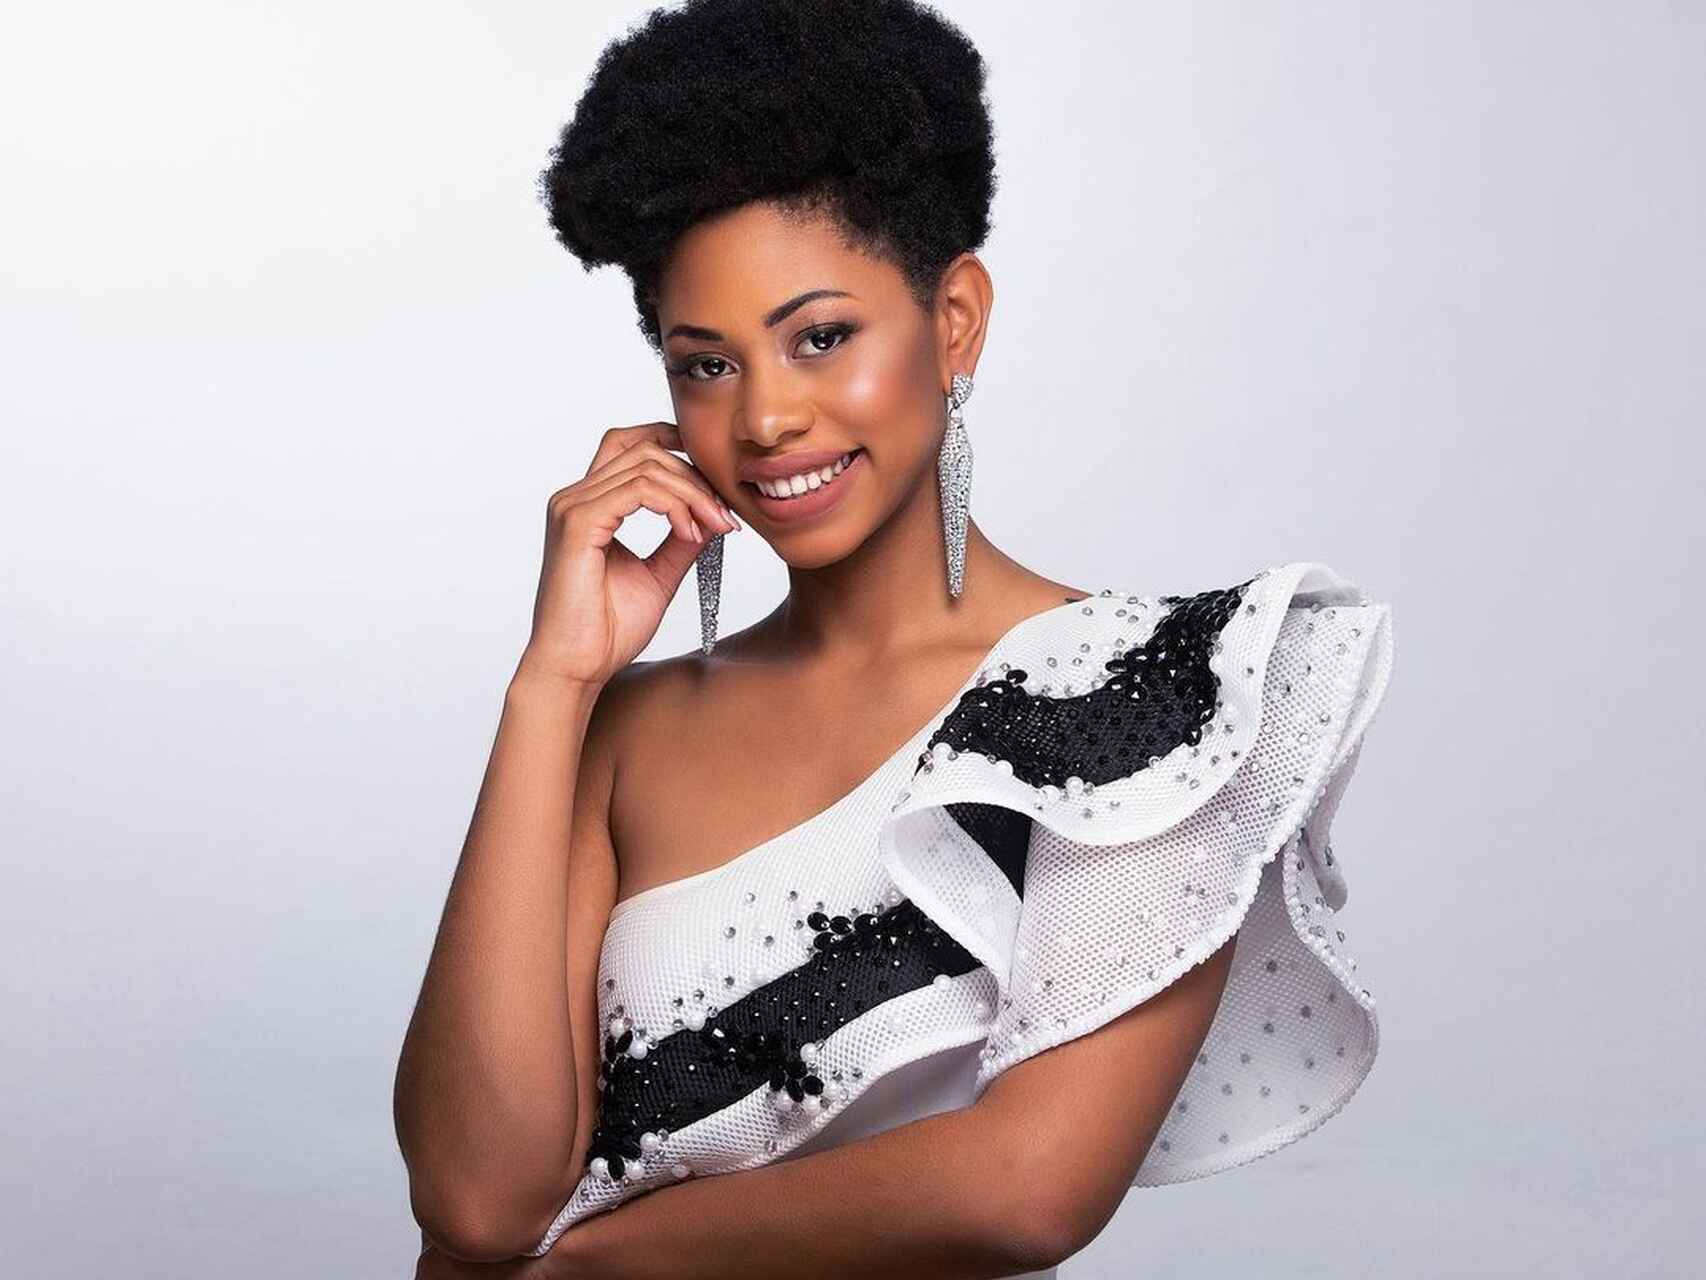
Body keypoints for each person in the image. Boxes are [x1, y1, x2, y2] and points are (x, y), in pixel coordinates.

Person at [393, 2, 1398, 1276]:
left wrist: (588, 1264)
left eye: (820, 337)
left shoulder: (1141, 701)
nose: (765, 418)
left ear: (954, 317)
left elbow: (1026, 1185)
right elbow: (476, 1198)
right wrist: (551, 683)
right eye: (705, 365)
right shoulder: (622, 726)